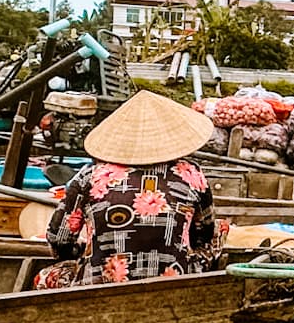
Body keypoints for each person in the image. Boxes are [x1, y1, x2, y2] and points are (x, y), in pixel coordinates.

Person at [36, 91, 224, 288]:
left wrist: (88, 251)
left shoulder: (90, 177)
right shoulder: (191, 174)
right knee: (221, 230)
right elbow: (204, 235)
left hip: (97, 286)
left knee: (43, 277)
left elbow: (59, 239)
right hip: (175, 283)